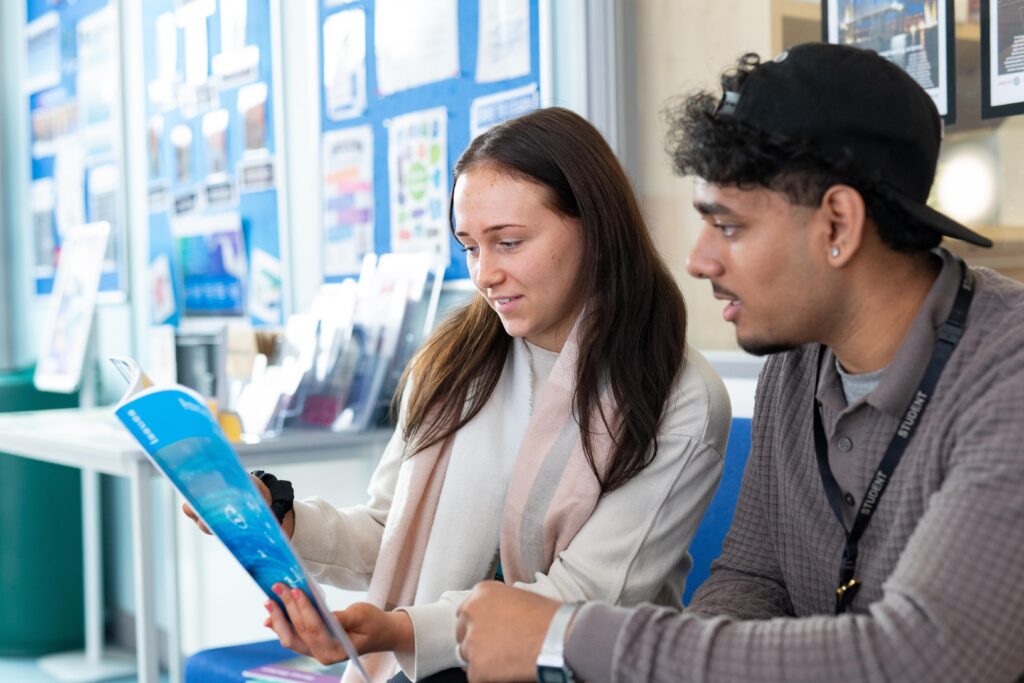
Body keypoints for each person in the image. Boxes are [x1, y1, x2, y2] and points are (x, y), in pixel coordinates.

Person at [454, 42, 1024, 683]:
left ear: (838, 225)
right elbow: (753, 581)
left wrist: (569, 635)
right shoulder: (798, 362)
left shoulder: (1008, 375)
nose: (698, 260)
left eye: (727, 226)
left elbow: (925, 656)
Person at [185, 107, 731, 682]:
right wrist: (281, 519)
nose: (484, 274)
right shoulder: (457, 363)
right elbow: (394, 534)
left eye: (509, 243)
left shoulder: (679, 398)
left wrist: (401, 630)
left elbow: (584, 599)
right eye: (470, 247)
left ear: (596, 229)